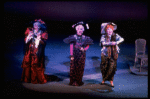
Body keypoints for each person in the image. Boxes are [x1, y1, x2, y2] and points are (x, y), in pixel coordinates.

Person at [63, 21, 93, 86]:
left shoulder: (85, 38)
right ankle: (73, 81)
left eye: (82, 29)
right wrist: (71, 55)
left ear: (83, 30)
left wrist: (84, 49)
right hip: (74, 54)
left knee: (80, 67)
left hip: (81, 55)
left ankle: (78, 81)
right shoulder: (73, 37)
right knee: (73, 68)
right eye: (79, 29)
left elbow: (88, 45)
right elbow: (71, 46)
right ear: (76, 29)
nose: (80, 30)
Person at [21, 19, 48, 84]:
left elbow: (43, 43)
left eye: (37, 25)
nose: (36, 26)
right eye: (35, 25)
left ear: (40, 26)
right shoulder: (30, 31)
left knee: (36, 64)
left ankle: (36, 79)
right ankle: (28, 78)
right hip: (30, 51)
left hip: (37, 51)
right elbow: (26, 41)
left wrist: (38, 39)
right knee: (28, 63)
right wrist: (29, 36)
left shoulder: (43, 33)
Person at [100, 22, 124, 87]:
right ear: (105, 30)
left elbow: (122, 39)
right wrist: (111, 43)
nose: (109, 30)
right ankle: (104, 79)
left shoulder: (115, 35)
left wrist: (116, 42)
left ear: (113, 29)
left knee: (112, 67)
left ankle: (111, 80)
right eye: (108, 29)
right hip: (105, 54)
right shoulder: (104, 36)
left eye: (111, 29)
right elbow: (103, 43)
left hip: (113, 54)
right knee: (104, 67)